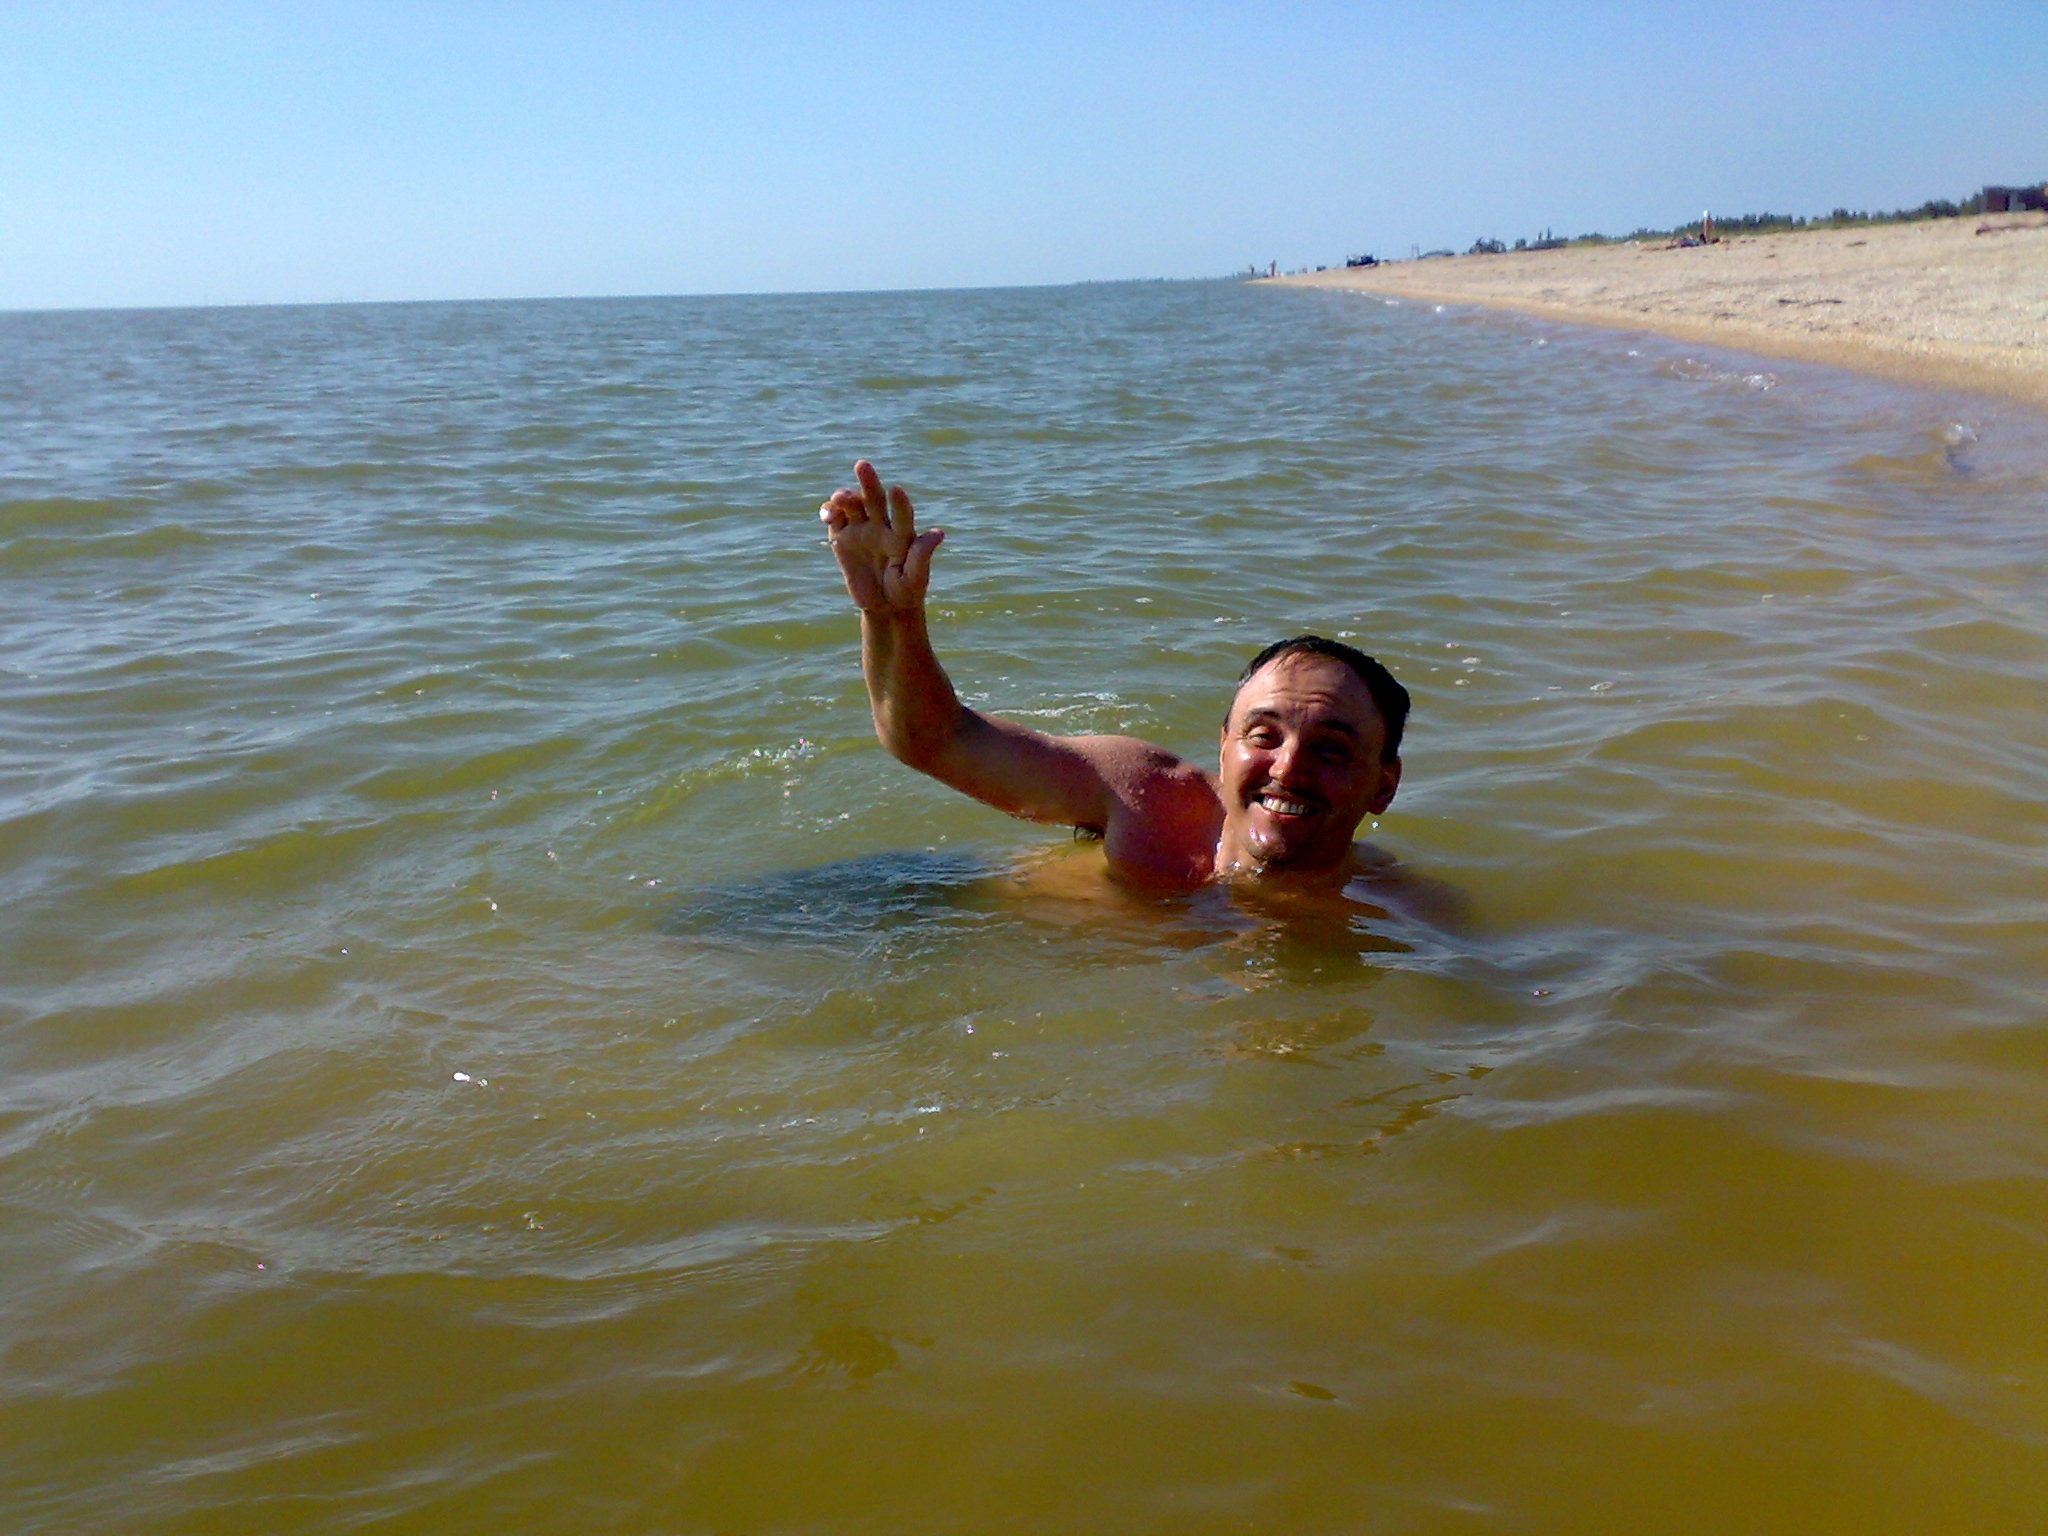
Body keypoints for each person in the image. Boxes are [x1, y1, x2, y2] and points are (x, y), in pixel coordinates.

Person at [819, 460, 1408, 894]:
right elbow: (934, 741)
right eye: (1263, 736)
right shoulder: (1147, 799)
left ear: (1384, 785)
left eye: (1331, 750)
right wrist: (891, 615)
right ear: (1224, 746)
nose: (1288, 767)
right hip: (920, 904)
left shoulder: (1394, 914)